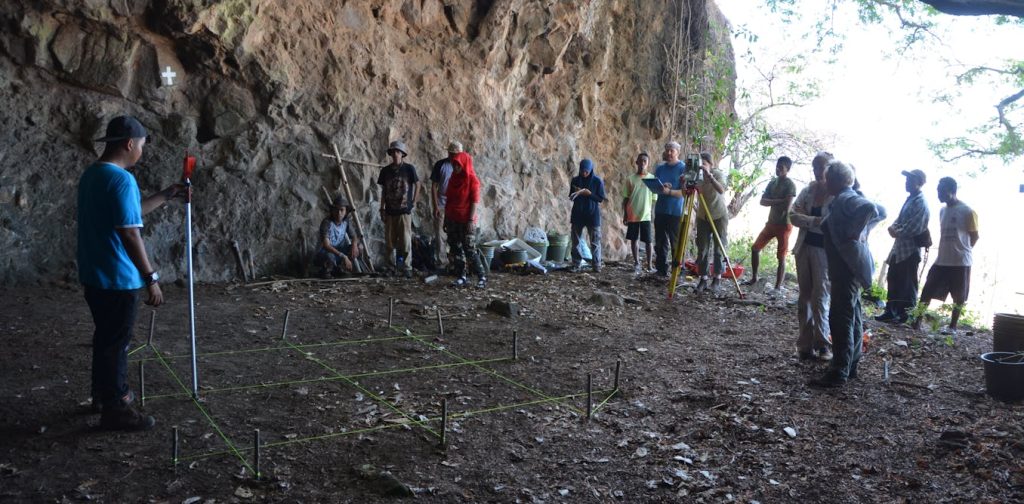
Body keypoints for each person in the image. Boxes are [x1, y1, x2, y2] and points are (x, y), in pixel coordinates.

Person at [78, 115, 183, 430]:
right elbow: (129, 232)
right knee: (116, 342)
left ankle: (104, 394)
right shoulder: (122, 180)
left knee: (106, 337)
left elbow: (131, 211)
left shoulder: (93, 175)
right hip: (118, 277)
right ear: (128, 144)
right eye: (141, 146)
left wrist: (166, 195)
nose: (141, 151)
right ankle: (116, 409)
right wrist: (150, 277)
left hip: (95, 275)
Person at [810, 161, 886, 388]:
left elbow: (870, 209)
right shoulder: (844, 197)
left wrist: (857, 232)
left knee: (841, 317)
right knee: (851, 315)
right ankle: (849, 365)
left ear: (833, 180)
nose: (824, 182)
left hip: (847, 267)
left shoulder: (845, 198)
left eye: (826, 178)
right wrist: (861, 232)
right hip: (849, 266)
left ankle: (839, 370)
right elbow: (879, 210)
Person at [913, 177, 979, 332]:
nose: (938, 194)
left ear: (952, 191)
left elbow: (974, 236)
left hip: (960, 261)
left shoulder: (968, 211)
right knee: (927, 289)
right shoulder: (942, 210)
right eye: (937, 191)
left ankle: (952, 326)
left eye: (942, 191)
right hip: (942, 259)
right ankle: (917, 321)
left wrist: (963, 249)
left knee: (959, 296)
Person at [790, 152, 835, 360]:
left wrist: (808, 219)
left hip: (825, 252)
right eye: (815, 167)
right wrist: (815, 221)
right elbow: (793, 215)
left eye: (821, 167)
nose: (818, 171)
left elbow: (830, 222)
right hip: (804, 247)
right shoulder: (808, 191)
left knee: (821, 297)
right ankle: (805, 344)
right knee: (804, 297)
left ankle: (823, 344)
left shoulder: (836, 195)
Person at [876, 169, 929, 324]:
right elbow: (899, 220)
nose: (906, 183)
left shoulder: (921, 202)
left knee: (907, 283)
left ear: (919, 182)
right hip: (899, 248)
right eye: (907, 180)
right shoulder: (911, 199)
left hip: (910, 250)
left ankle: (905, 315)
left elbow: (915, 227)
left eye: (910, 180)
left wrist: (896, 231)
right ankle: (890, 311)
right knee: (893, 278)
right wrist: (893, 228)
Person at [743, 156, 797, 291]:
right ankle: (754, 278)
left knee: (781, 256)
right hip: (771, 223)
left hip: (784, 225)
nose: (778, 169)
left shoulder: (790, 185)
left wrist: (773, 201)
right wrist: (779, 200)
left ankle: (778, 287)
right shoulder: (772, 183)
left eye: (781, 167)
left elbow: (788, 206)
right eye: (777, 166)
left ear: (788, 169)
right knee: (755, 248)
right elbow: (762, 201)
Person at [444, 151, 487, 288]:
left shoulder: (472, 180)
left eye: (458, 165)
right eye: (454, 165)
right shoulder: (452, 179)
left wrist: (470, 221)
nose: (456, 168)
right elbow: (449, 200)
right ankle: (461, 276)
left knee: (470, 249)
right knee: (456, 249)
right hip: (452, 219)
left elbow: (474, 201)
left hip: (465, 220)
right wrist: (446, 218)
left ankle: (481, 277)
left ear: (465, 165)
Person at [377, 140, 420, 278]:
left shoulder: (409, 169)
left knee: (406, 241)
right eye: (393, 152)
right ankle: (391, 267)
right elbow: (383, 191)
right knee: (389, 242)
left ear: (402, 154)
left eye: (398, 151)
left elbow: (417, 184)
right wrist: (382, 208)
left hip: (404, 211)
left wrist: (413, 201)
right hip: (390, 211)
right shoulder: (385, 171)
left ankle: (407, 267)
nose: (395, 154)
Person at [693, 152, 729, 293]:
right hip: (703, 216)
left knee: (719, 247)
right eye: (699, 164)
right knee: (702, 248)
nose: (701, 167)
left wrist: (709, 176)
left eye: (704, 164)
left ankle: (717, 278)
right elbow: (686, 193)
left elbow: (721, 190)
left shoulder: (718, 174)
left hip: (719, 215)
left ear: (710, 164)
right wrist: (685, 181)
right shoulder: (696, 176)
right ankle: (703, 278)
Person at [652, 142, 686, 277]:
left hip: (675, 211)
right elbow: (656, 186)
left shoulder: (683, 168)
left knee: (676, 242)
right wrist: (661, 187)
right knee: (660, 241)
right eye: (667, 150)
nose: (669, 153)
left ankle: (677, 270)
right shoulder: (660, 168)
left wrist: (669, 191)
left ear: (678, 152)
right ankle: (661, 269)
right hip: (660, 209)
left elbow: (684, 192)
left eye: (672, 150)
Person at [621, 152, 657, 276]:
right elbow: (625, 199)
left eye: (645, 161)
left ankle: (650, 265)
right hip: (632, 215)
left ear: (648, 164)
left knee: (648, 241)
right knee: (634, 239)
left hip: (646, 215)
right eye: (640, 161)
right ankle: (636, 263)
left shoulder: (652, 179)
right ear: (636, 162)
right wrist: (625, 215)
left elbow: (653, 199)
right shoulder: (630, 179)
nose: (642, 164)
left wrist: (651, 214)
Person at [569, 159, 606, 272]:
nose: (584, 173)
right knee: (575, 241)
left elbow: (600, 198)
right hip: (578, 214)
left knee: (595, 241)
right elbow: (570, 195)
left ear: (591, 170)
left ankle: (596, 265)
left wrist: (589, 194)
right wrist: (576, 193)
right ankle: (576, 263)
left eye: (586, 171)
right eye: (582, 171)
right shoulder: (575, 180)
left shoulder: (597, 181)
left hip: (592, 215)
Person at [430, 142, 462, 267]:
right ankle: (442, 263)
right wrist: (435, 206)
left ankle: (456, 263)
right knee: (440, 236)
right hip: (442, 204)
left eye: (455, 154)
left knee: (456, 236)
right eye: (451, 153)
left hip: (457, 206)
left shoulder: (463, 166)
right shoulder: (440, 164)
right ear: (448, 153)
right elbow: (434, 186)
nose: (453, 156)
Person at [314, 196, 360, 277]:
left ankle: (340, 269)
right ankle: (326, 272)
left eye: (342, 210)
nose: (339, 213)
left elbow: (354, 236)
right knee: (330, 256)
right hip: (325, 253)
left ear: (346, 211)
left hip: (339, 252)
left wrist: (354, 245)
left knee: (359, 247)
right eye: (336, 210)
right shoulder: (326, 223)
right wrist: (343, 256)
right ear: (332, 210)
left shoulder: (346, 222)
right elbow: (326, 245)